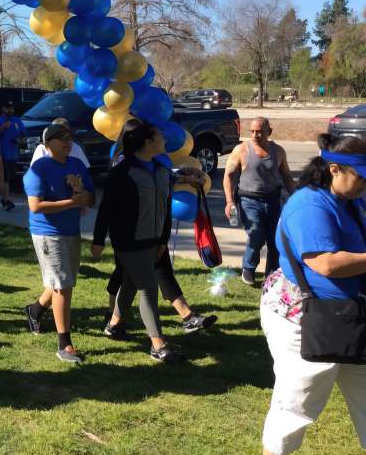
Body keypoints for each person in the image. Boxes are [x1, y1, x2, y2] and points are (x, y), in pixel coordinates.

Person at [259, 134, 366, 455]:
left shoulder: (352, 198)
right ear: (335, 169)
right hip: (305, 318)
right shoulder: (309, 204)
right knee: (297, 402)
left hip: (353, 315)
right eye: (363, 177)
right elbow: (326, 264)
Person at [91, 120, 202, 364]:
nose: (165, 140)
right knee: (148, 288)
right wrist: (99, 239)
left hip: (154, 241)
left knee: (130, 283)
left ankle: (113, 325)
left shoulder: (161, 171)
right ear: (148, 142)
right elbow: (107, 207)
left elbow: (163, 208)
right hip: (129, 241)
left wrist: (163, 240)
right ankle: (158, 345)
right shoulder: (123, 172)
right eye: (160, 137)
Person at [21, 123, 94, 363]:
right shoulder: (39, 169)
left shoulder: (77, 165)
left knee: (63, 281)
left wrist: (81, 191)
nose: (67, 141)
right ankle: (65, 344)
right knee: (63, 285)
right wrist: (73, 202)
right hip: (47, 232)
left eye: (69, 137)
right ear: (47, 143)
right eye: (60, 137)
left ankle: (35, 309)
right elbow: (36, 206)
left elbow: (91, 198)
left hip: (71, 231)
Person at [223, 117, 296, 285]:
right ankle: (248, 269)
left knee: (274, 239)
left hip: (272, 199)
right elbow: (229, 176)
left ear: (269, 132)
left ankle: (271, 275)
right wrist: (229, 201)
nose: (255, 135)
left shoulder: (278, 151)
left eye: (260, 132)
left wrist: (296, 197)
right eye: (253, 131)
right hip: (248, 199)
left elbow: (287, 177)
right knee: (256, 234)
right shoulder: (241, 150)